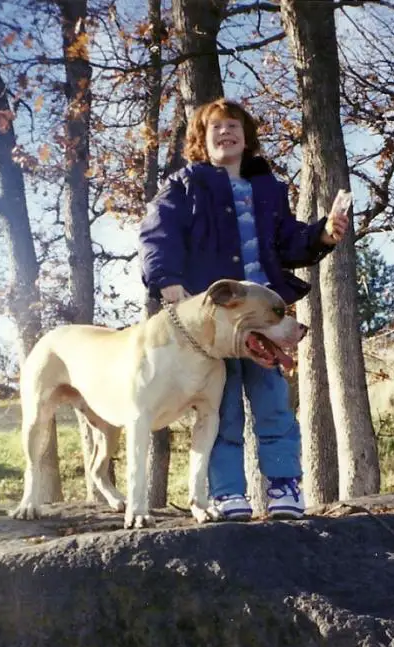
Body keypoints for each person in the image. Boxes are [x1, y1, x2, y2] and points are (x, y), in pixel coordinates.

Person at [139, 98, 349, 521]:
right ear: (201, 139)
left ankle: (284, 486)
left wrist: (324, 234)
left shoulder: (268, 188)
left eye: (233, 125)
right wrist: (168, 280)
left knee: (273, 401)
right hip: (213, 325)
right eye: (215, 126)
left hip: (263, 321)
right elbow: (157, 233)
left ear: (246, 137)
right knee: (220, 407)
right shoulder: (184, 185)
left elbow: (289, 242)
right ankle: (228, 493)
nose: (225, 132)